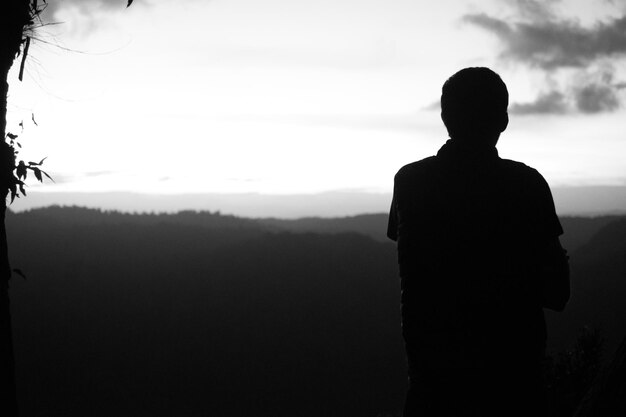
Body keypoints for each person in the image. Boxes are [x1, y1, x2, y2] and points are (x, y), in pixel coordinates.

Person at [387, 67, 570, 417]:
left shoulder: (410, 183)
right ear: (502, 120)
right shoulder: (526, 186)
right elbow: (558, 293)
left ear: (444, 118)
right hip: (513, 389)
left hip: (432, 390)